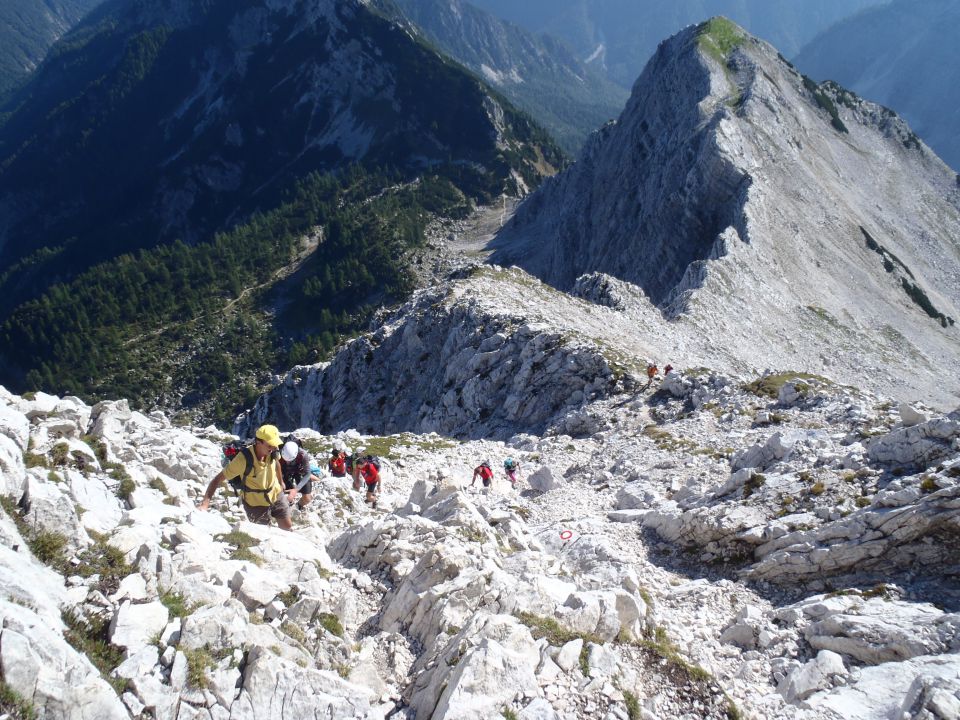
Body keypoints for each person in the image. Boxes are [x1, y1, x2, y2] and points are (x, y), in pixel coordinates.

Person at [198, 424, 291, 530]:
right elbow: (217, 479)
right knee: (264, 533)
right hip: (255, 503)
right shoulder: (243, 460)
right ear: (258, 442)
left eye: (274, 445)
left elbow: (276, 463)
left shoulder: (273, 451)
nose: (273, 448)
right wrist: (205, 503)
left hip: (275, 493)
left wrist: (281, 481)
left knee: (287, 527)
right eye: (270, 445)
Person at [280, 439, 318, 510]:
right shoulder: (278, 452)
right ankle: (288, 508)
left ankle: (298, 505)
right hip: (284, 471)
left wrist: (296, 489)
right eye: (285, 460)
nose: (287, 462)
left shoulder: (303, 454)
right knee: (287, 496)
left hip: (299, 471)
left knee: (307, 498)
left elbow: (307, 474)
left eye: (290, 460)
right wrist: (280, 481)